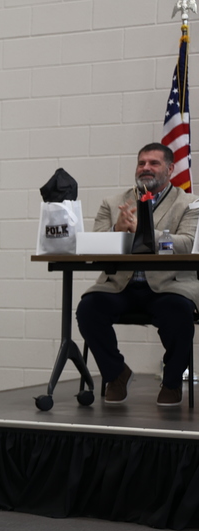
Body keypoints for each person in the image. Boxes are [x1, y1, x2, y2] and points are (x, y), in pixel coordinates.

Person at [76, 142, 199, 406]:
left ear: (170, 169)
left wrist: (144, 231)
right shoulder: (113, 203)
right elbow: (94, 246)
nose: (146, 168)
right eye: (141, 163)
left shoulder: (190, 203)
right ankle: (117, 374)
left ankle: (172, 382)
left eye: (154, 163)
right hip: (120, 285)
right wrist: (117, 232)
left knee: (178, 312)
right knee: (88, 309)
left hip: (169, 285)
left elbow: (187, 244)